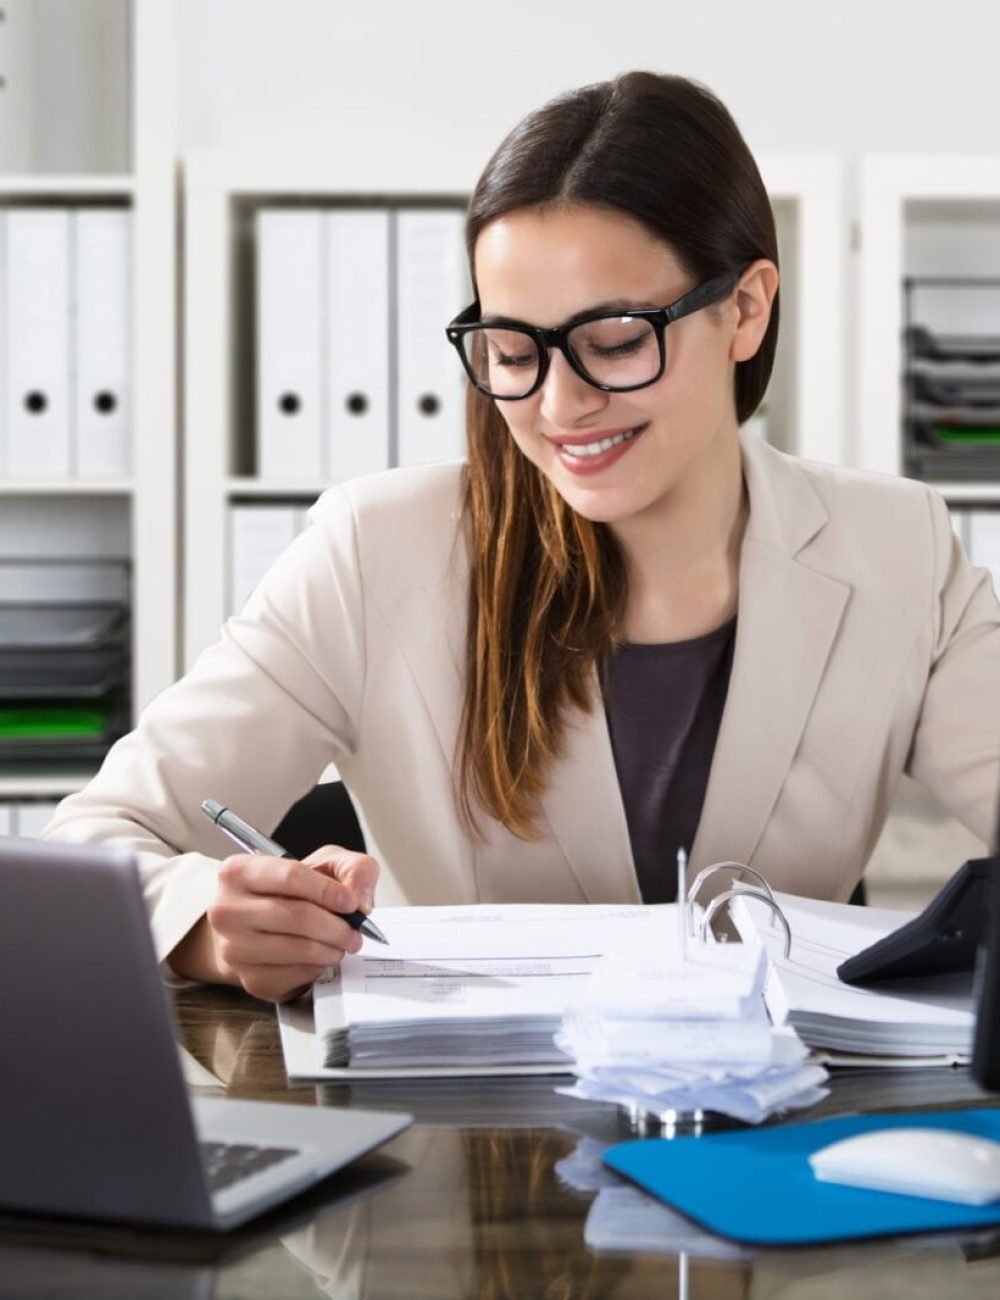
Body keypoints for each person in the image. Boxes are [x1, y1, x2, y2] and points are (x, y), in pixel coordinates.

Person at [44, 71, 1000, 1004]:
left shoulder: (899, 550)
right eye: (512, 350)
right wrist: (209, 925)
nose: (558, 404)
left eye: (616, 339)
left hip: (766, 1129)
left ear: (745, 309)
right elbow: (95, 837)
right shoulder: (374, 553)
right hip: (461, 1141)